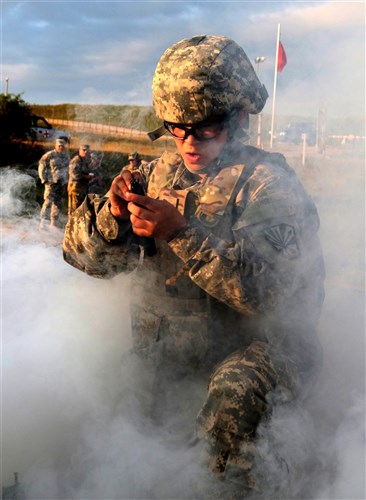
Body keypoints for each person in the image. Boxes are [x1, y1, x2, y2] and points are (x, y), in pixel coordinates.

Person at [63, 35, 325, 494]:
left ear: (239, 118)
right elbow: (84, 260)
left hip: (259, 350)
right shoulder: (155, 175)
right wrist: (114, 217)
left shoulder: (269, 186)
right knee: (109, 403)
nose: (187, 142)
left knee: (235, 396)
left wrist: (180, 233)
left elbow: (272, 298)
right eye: (175, 127)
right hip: (177, 350)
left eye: (204, 129)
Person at [38, 137, 69, 229]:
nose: (61, 147)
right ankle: (43, 222)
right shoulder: (49, 155)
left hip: (62, 182)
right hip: (51, 182)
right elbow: (41, 166)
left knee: (58, 202)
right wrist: (43, 179)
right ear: (56, 145)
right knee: (48, 201)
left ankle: (54, 222)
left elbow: (69, 168)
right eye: (59, 146)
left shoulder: (66, 156)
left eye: (63, 146)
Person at [67, 144, 92, 217]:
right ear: (79, 151)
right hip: (75, 189)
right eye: (84, 150)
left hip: (82, 190)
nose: (86, 152)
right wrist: (85, 176)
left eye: (87, 150)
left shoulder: (85, 161)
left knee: (80, 210)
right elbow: (74, 174)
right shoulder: (76, 160)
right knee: (74, 210)